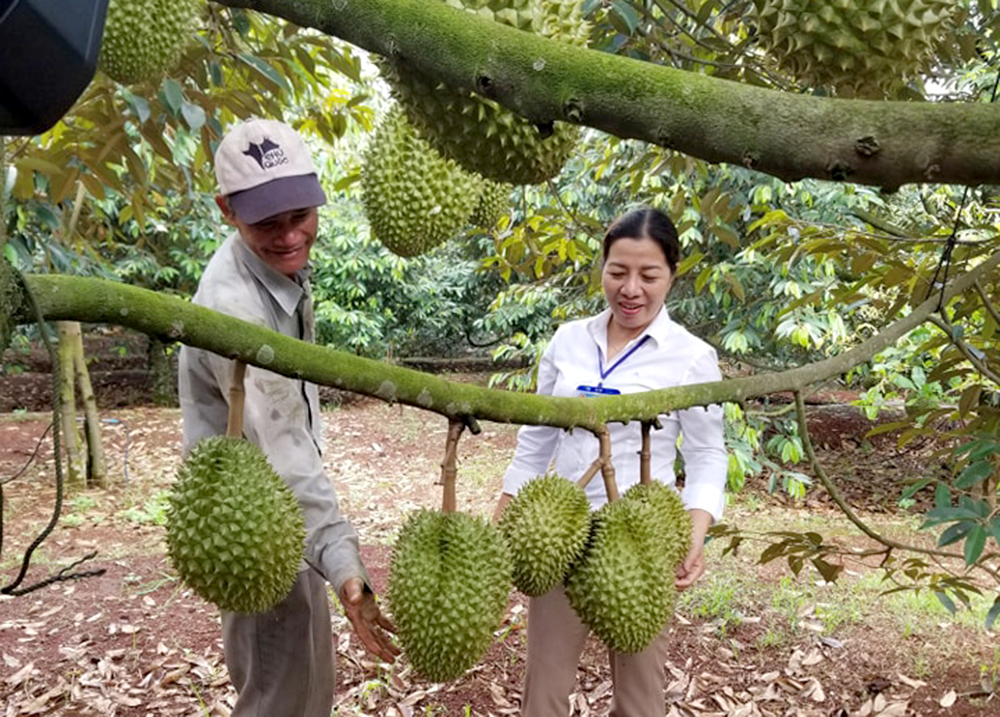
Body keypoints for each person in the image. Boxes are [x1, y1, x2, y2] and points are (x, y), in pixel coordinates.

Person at [178, 117, 398, 717]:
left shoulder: (276, 273)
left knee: (305, 691)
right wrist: (343, 559)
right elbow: (283, 450)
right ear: (226, 210)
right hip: (253, 533)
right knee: (280, 697)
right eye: (266, 223)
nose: (290, 235)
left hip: (275, 524)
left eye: (300, 214)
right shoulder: (235, 315)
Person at [494, 207, 728, 717]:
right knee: (545, 685)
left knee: (641, 693)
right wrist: (509, 500)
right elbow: (538, 435)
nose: (631, 289)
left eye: (649, 275)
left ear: (672, 275)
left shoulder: (691, 357)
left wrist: (695, 529)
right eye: (618, 272)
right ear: (601, 268)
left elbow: (709, 453)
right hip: (559, 527)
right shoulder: (568, 340)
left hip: (644, 534)